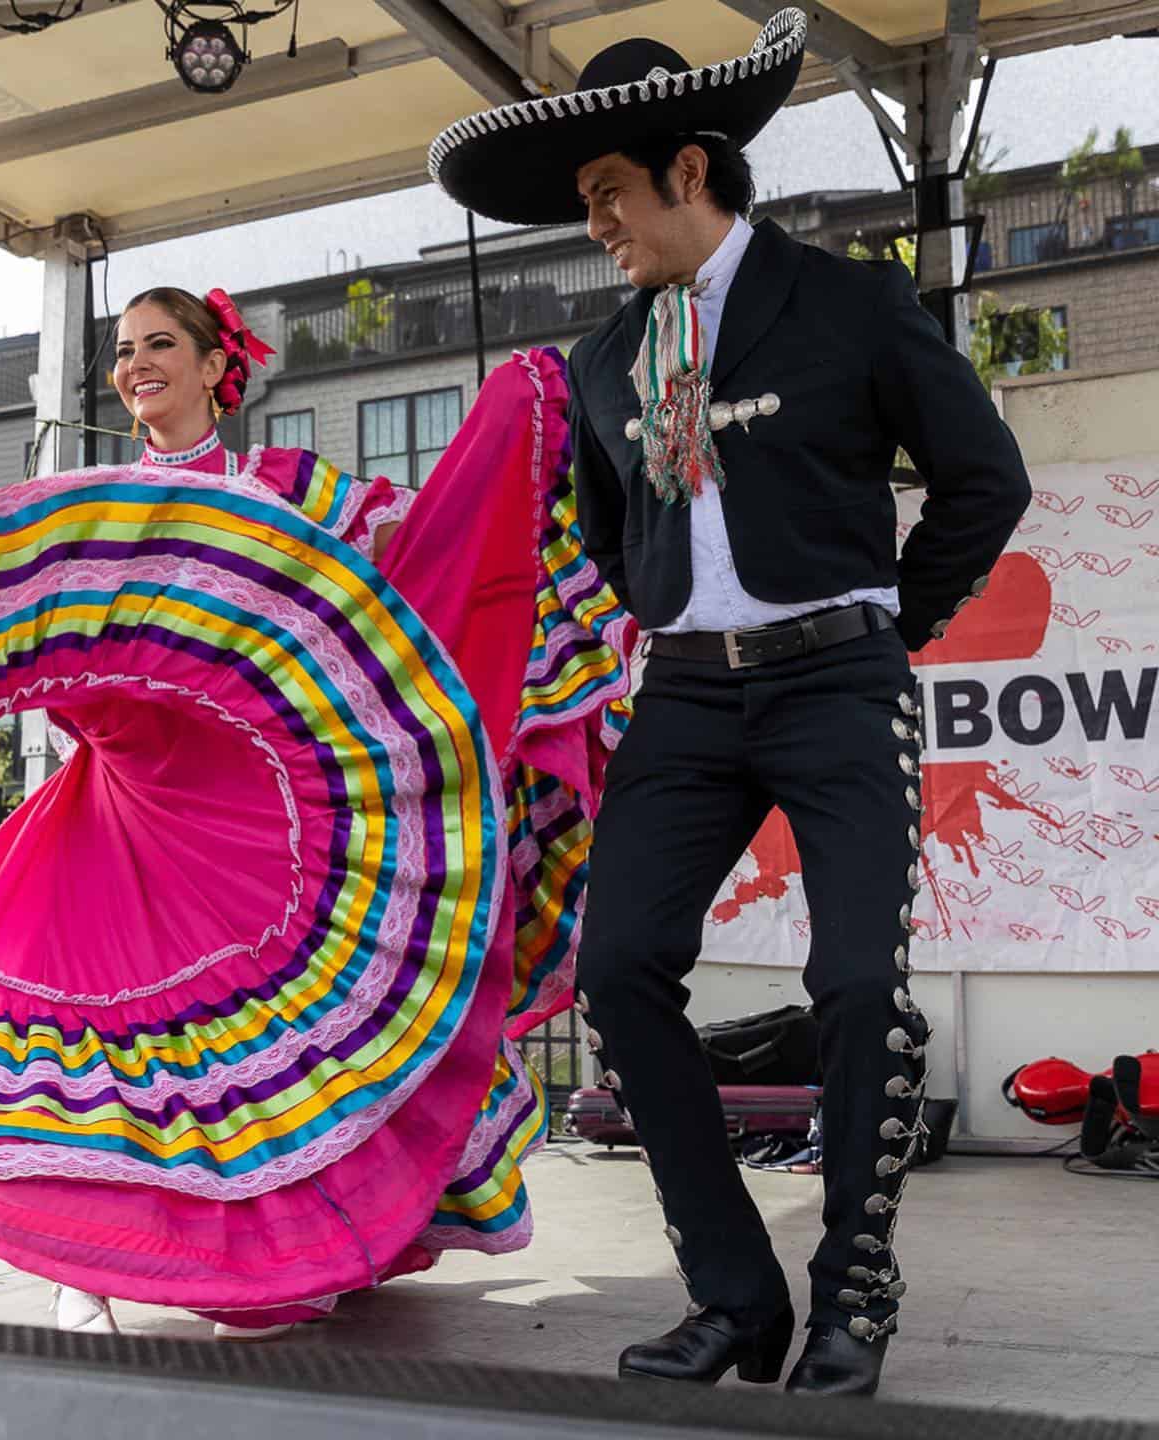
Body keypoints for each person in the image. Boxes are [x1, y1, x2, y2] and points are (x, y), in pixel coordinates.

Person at [0, 288, 633, 1338]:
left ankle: (271, 1263)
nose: (134, 366)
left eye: (160, 345)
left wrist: (514, 422)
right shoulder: (92, 500)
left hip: (270, 831)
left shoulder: (289, 492)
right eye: (123, 352)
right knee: (97, 1050)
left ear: (220, 366)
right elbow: (8, 628)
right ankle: (89, 1262)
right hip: (127, 816)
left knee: (264, 1062)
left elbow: (411, 585)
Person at [430, 7, 1030, 1398]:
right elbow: (599, 527)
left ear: (688, 172)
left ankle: (852, 1299)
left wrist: (887, 624)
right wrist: (668, 611)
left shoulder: (849, 301)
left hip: (837, 678)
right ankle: (734, 1297)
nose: (596, 226)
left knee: (862, 985)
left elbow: (982, 480)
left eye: (607, 196)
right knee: (622, 972)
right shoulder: (601, 363)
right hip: (689, 696)